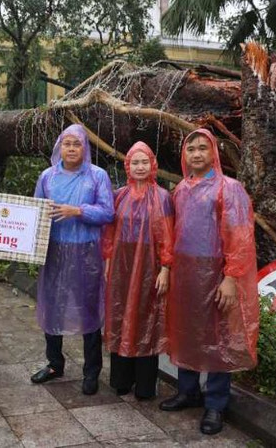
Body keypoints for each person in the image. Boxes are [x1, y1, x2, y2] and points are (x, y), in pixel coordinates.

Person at [159, 128, 259, 435]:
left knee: (218, 336)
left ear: (213, 152)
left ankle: (216, 403)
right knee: (186, 330)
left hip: (216, 272)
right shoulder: (180, 191)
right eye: (192, 149)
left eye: (203, 148)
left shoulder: (229, 189)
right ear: (184, 155)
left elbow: (240, 236)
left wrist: (230, 278)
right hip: (186, 274)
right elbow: (171, 233)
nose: (197, 154)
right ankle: (188, 391)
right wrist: (169, 268)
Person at [30, 124, 114, 395]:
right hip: (54, 251)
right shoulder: (47, 177)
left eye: (77, 144)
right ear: (59, 147)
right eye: (66, 143)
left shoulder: (97, 176)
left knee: (88, 309)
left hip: (87, 253)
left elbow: (107, 213)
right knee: (52, 305)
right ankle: (55, 363)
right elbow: (35, 212)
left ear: (85, 148)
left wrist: (78, 210)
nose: (71, 148)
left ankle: (92, 371)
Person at [102, 142, 173, 400]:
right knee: (120, 315)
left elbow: (167, 235)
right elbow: (109, 231)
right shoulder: (119, 195)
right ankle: (121, 379)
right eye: (135, 162)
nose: (140, 167)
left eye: (144, 162)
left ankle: (144, 384)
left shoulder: (163, 197)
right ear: (128, 166)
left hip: (149, 267)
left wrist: (166, 268)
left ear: (152, 164)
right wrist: (108, 259)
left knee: (147, 318)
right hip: (122, 265)